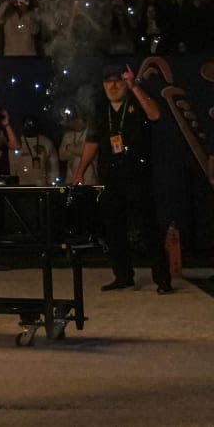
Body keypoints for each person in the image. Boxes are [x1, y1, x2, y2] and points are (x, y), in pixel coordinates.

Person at [74, 65, 172, 294]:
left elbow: (155, 114)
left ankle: (163, 279)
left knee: (148, 227)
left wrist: (134, 86)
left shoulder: (136, 101)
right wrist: (80, 172)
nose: (114, 86)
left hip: (137, 175)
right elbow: (93, 142)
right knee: (114, 228)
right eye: (109, 82)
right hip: (111, 175)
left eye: (118, 81)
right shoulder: (101, 109)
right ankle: (123, 276)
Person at [10, 118, 58, 186]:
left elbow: (54, 165)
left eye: (32, 124)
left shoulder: (46, 142)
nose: (30, 127)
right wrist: (14, 183)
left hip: (42, 184)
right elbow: (13, 166)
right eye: (28, 124)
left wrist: (52, 182)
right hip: (22, 184)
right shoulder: (16, 143)